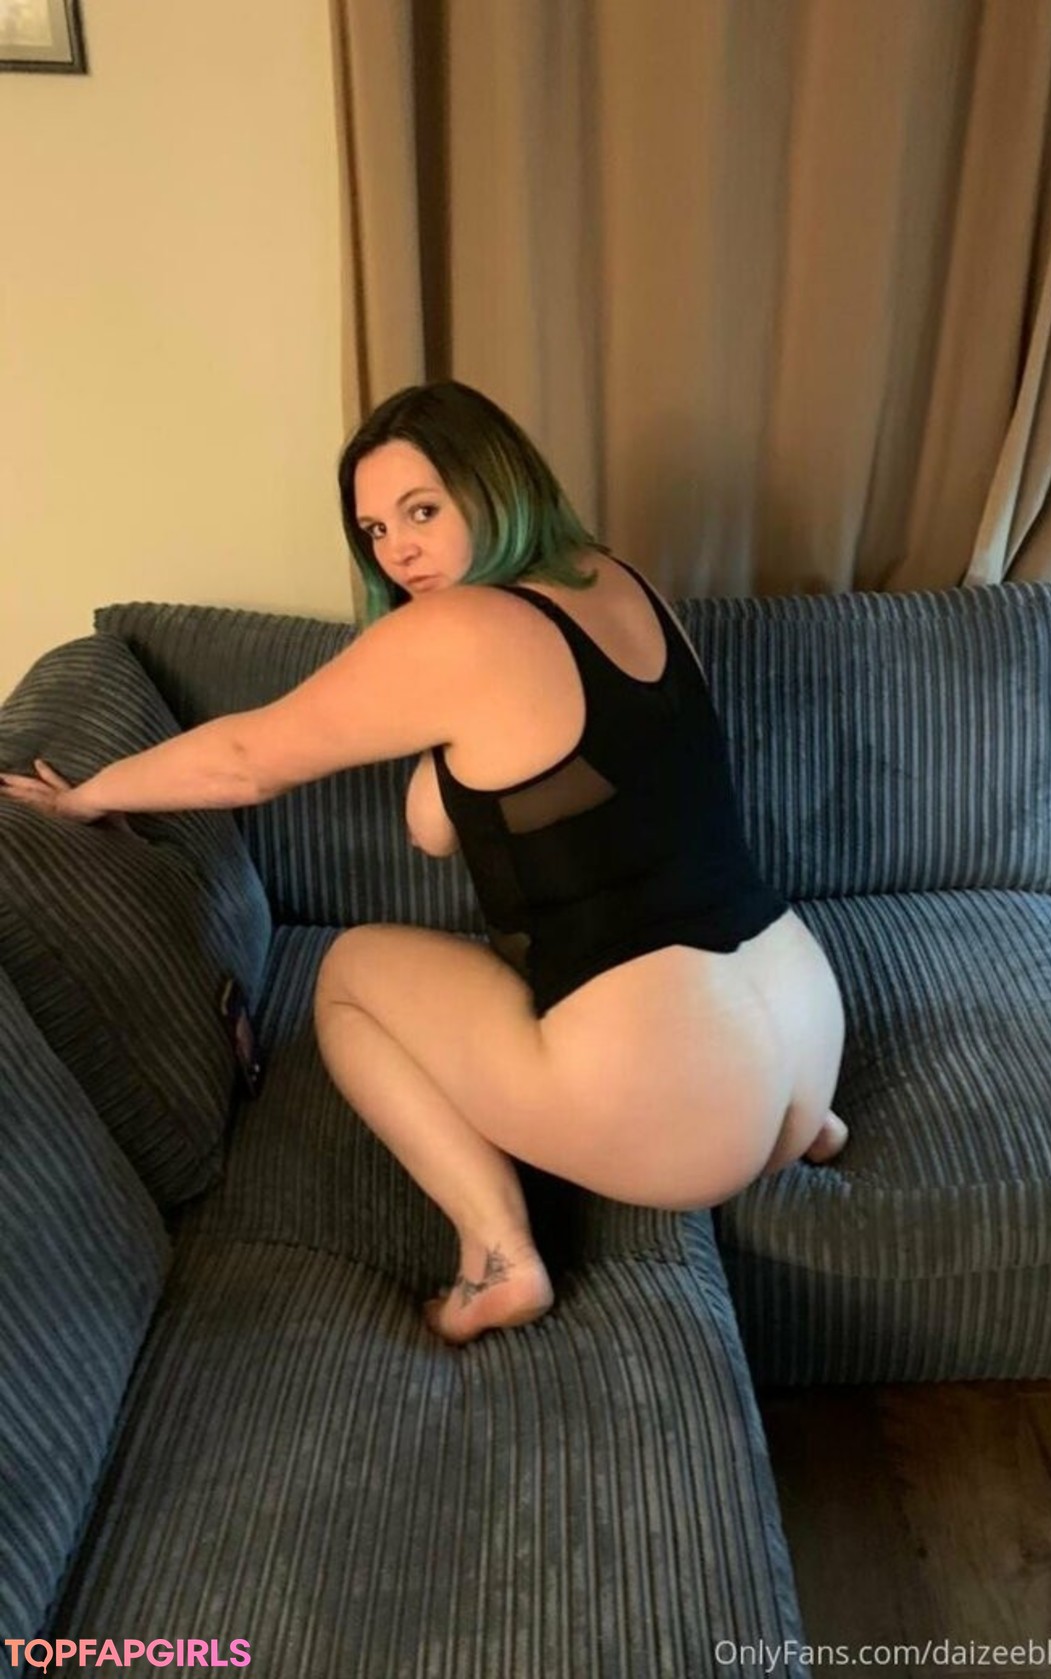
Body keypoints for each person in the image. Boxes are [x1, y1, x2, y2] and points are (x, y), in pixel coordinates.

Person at [0, 379, 848, 1347]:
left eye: (422, 510)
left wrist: (88, 795)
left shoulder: (456, 630)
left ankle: (500, 1256)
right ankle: (801, 1126)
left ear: (496, 487)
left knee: (348, 975)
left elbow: (246, 760)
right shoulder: (616, 579)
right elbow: (451, 815)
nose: (397, 551)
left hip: (682, 1104)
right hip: (805, 1032)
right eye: (373, 530)